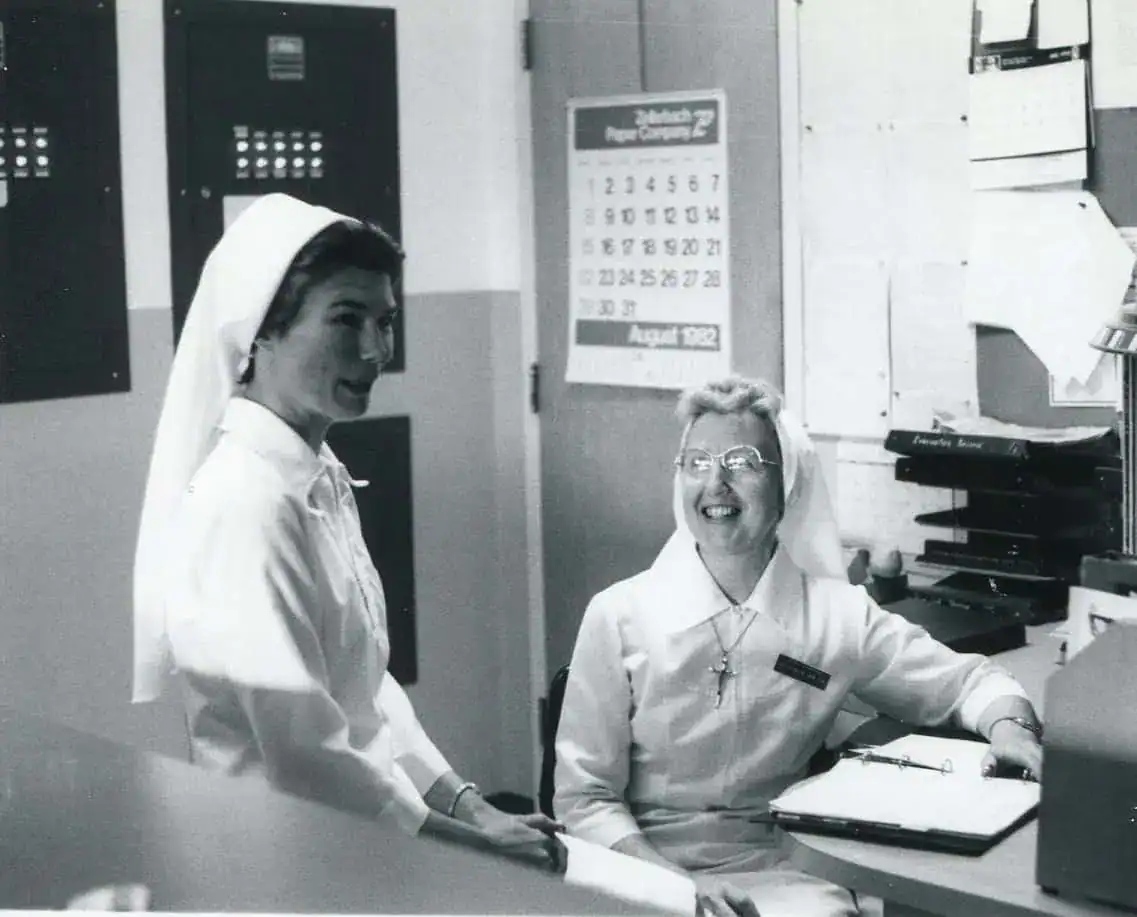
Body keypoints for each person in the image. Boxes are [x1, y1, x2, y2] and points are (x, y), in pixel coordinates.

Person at [132, 193, 561, 866]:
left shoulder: (314, 471)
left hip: (354, 834)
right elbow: (307, 755)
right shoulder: (246, 503)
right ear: (261, 332)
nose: (373, 350)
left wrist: (464, 800)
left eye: (384, 321)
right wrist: (469, 845)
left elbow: (361, 684)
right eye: (345, 319)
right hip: (278, 858)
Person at [553, 376, 1043, 917]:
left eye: (741, 463)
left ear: (786, 486)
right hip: (641, 869)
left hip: (785, 870)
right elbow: (586, 798)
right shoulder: (618, 614)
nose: (715, 483)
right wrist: (675, 885)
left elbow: (972, 683)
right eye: (697, 462)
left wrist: (1010, 729)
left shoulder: (838, 617)